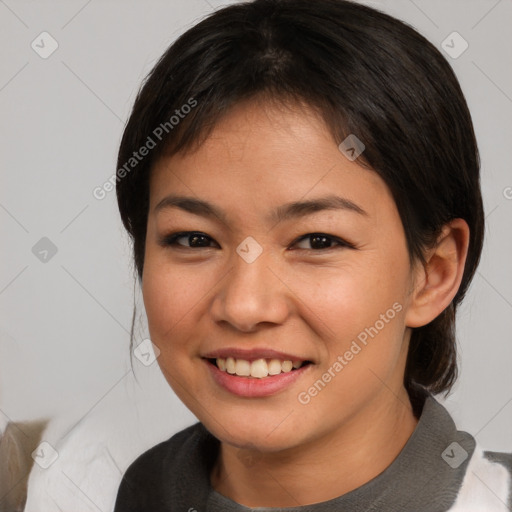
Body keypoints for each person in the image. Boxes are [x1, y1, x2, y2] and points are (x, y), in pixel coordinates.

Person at [112, 0, 512, 510]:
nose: (244, 306)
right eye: (194, 239)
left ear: (433, 274)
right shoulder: (107, 491)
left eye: (318, 241)